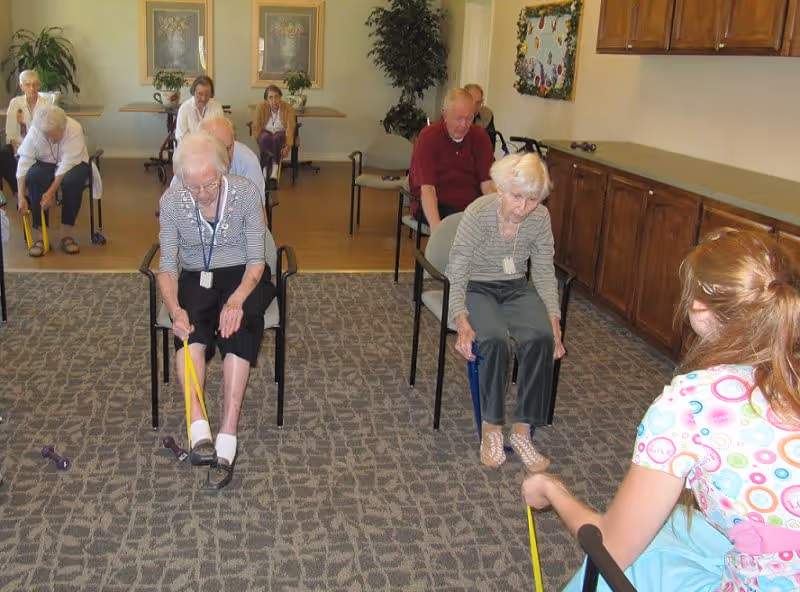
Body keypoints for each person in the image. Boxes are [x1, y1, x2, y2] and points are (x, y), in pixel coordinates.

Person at [523, 229, 800, 591]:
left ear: (699, 308)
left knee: (623, 562)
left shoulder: (691, 404)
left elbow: (610, 548)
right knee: (677, 525)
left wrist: (552, 489)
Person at [157, 131, 276, 490]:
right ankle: (198, 426)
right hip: (197, 275)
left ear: (222, 171)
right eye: (193, 186)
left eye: (209, 184)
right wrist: (174, 307)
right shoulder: (173, 200)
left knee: (237, 329)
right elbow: (167, 265)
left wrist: (237, 300)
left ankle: (228, 432)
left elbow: (257, 260)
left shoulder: (244, 193)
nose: (203, 194)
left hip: (245, 276)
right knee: (189, 329)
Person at [447, 152, 564, 472]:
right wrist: (461, 320)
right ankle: (492, 429)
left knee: (541, 338)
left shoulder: (539, 218)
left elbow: (542, 271)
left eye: (532, 200)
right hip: (477, 286)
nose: (523, 208)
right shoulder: (478, 213)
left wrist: (554, 321)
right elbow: (456, 269)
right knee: (495, 340)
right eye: (517, 197)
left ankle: (524, 429)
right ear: (501, 188)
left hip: (515, 287)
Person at [408, 88, 495, 233]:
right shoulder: (429, 137)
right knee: (464, 229)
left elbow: (487, 184)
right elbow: (428, 189)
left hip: (469, 207)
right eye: (459, 118)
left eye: (469, 118)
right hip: (436, 204)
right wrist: (437, 231)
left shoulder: (480, 137)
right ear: (445, 115)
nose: (464, 124)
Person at [16, 105, 90, 256]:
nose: (52, 139)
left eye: (55, 135)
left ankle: (66, 234)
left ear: (64, 127)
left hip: (74, 162)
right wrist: (21, 197)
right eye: (48, 136)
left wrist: (50, 192)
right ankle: (40, 236)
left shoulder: (74, 128)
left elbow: (66, 164)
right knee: (34, 176)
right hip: (45, 162)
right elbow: (24, 163)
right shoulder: (36, 130)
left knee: (72, 180)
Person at [170, 117, 264, 201]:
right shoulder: (188, 162)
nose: (225, 156)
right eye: (218, 151)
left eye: (229, 148)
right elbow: (173, 202)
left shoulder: (248, 161)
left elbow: (258, 208)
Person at [0, 70, 53, 196]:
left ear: (39, 85)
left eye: (35, 84)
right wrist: (15, 151)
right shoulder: (15, 103)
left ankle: (29, 192)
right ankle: (19, 192)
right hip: (19, 146)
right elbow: (11, 131)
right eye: (27, 84)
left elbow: (47, 130)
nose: (32, 88)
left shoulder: (46, 103)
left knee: (32, 163)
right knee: (2, 155)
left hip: (39, 147)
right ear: (21, 86)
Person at [252, 84, 296, 190]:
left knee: (276, 138)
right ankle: (264, 171)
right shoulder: (261, 107)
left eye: (276, 96)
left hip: (280, 133)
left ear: (280, 97)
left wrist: (288, 146)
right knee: (264, 138)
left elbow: (290, 128)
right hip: (266, 132)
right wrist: (258, 141)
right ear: (266, 99)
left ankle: (274, 174)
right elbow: (256, 126)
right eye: (270, 97)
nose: (274, 100)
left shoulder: (287, 108)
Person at [174, 75, 224, 144]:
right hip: (189, 149)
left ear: (211, 94)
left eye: (207, 94)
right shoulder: (184, 108)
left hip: (211, 148)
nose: (203, 98)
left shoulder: (217, 107)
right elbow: (180, 136)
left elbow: (221, 133)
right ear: (193, 92)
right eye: (200, 94)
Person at [464, 83, 497, 150]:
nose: (474, 106)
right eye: (470, 101)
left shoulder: (487, 115)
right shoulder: (453, 114)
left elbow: (490, 146)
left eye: (478, 103)